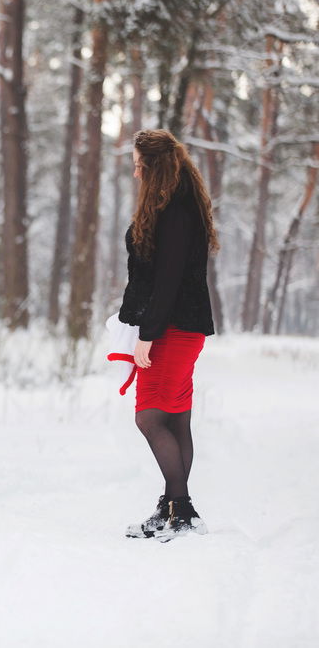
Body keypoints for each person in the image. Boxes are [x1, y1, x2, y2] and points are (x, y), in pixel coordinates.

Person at [118, 130, 218, 541]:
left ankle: (182, 510)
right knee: (175, 419)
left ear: (154, 166)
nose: (135, 170)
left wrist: (148, 334)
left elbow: (170, 279)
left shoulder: (176, 210)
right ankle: (174, 506)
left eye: (139, 163)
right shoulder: (176, 204)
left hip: (173, 330)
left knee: (150, 417)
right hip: (178, 326)